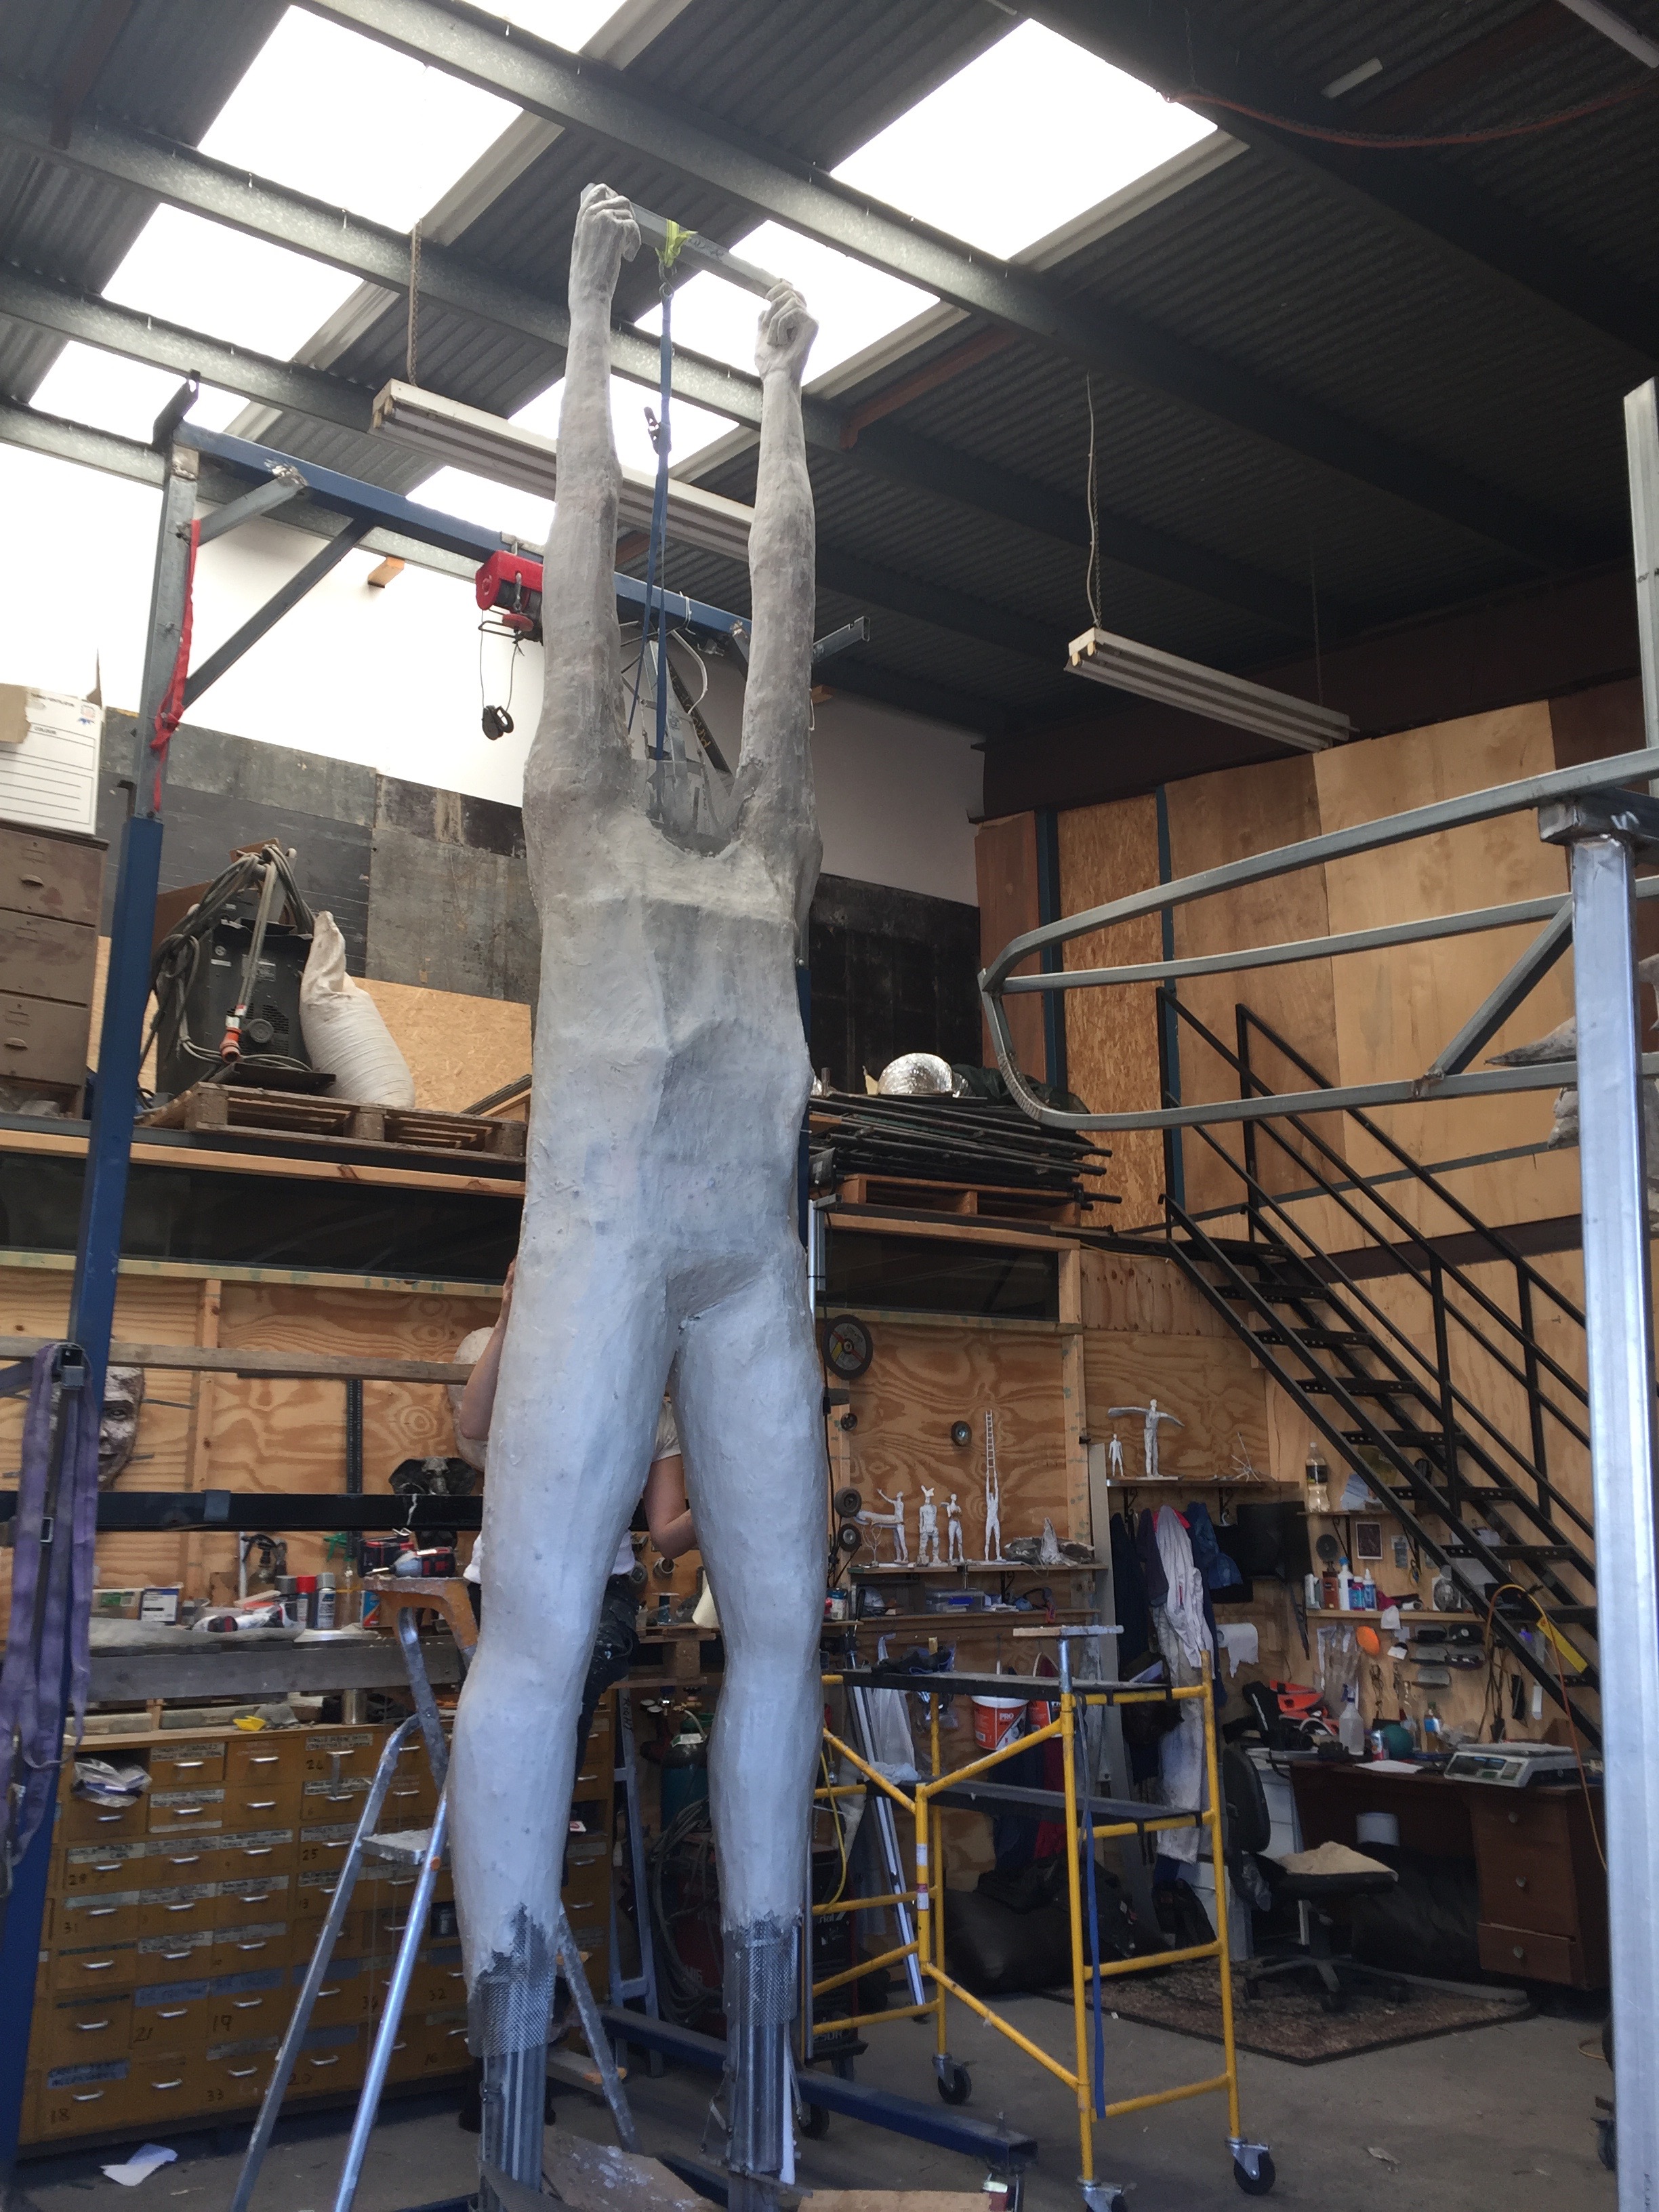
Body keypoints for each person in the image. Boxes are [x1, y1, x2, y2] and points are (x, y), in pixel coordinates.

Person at [449, 1260, 697, 1774]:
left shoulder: (657, 1416)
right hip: (506, 1586)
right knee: (508, 1734)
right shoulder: (538, 1371)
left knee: (557, 1723)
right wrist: (506, 1321)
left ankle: (545, 1813)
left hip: (599, 1592)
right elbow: (473, 1422)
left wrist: (723, 1502)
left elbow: (669, 1537)